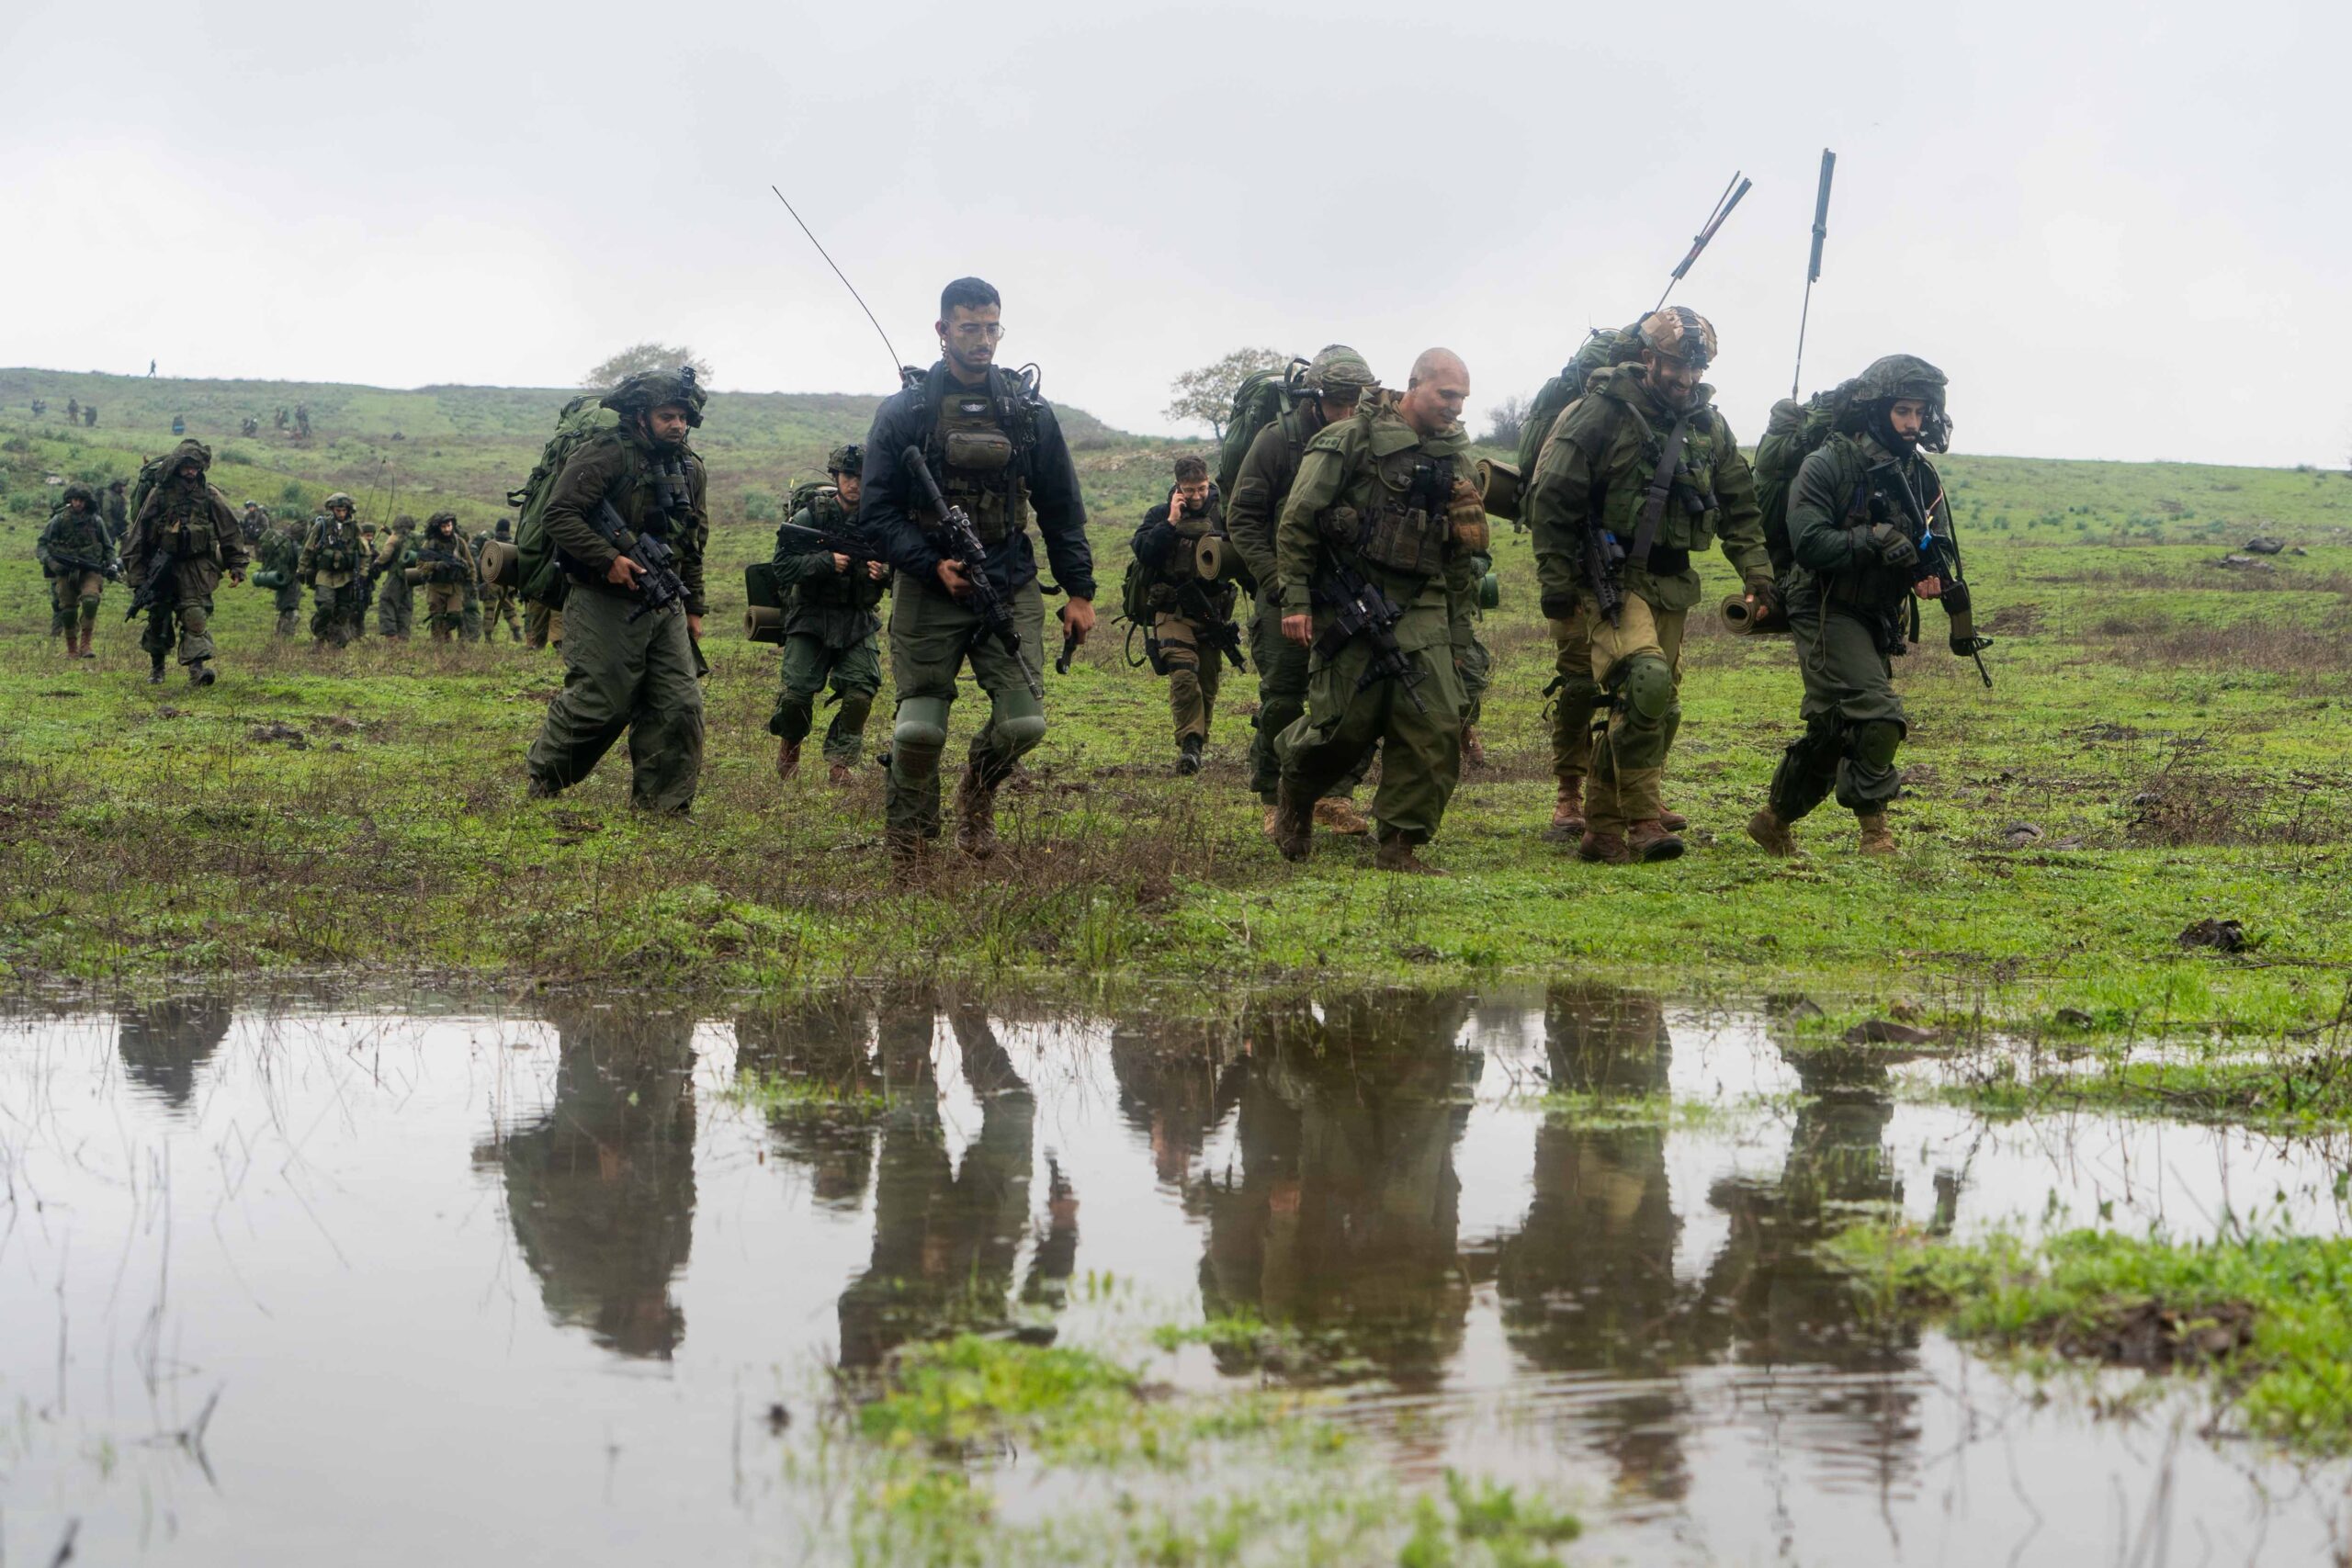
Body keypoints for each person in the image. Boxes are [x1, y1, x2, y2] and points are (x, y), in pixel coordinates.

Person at [857, 276, 1096, 865]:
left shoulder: (1027, 412)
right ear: (942, 331)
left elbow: (1061, 507)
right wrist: (930, 563)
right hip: (927, 584)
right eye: (970, 327)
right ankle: (910, 845)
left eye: (992, 327)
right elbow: (877, 513)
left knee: (1024, 724)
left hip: (1008, 581)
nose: (983, 339)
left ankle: (977, 792)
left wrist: (1080, 591)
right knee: (919, 731)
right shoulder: (905, 412)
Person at [1526, 307, 1774, 864]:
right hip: (1609, 577)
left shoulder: (1709, 424)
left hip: (1672, 580)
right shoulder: (1601, 414)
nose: (1685, 379)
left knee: (1656, 707)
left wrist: (1757, 575)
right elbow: (1553, 501)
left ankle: (1602, 828)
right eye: (1674, 366)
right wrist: (1557, 583)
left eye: (1695, 368)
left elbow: (1738, 504)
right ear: (1647, 359)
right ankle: (1641, 822)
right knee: (1646, 682)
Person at [1267, 348, 1486, 874]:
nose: (1455, 408)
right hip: (1354, 600)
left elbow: (1460, 561)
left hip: (1426, 605)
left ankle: (1400, 843)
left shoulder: (1455, 457)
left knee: (1432, 725)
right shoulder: (1350, 440)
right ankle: (1295, 788)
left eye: (1462, 398)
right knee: (1344, 726)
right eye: (1446, 394)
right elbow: (1297, 522)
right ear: (1414, 385)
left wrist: (1459, 635)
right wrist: (1295, 600)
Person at [1749, 355, 1966, 858]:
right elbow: (1808, 543)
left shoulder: (1919, 473)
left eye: (1920, 412)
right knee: (1879, 716)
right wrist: (1873, 537)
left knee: (1831, 730)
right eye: (1902, 411)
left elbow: (1937, 537)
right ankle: (1876, 835)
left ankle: (1773, 819)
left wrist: (1928, 570)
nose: (1913, 423)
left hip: (1877, 613)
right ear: (1876, 410)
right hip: (1824, 604)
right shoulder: (1827, 463)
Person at [523, 368, 709, 814]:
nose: (678, 425)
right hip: (600, 596)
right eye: (667, 416)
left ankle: (663, 808)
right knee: (603, 702)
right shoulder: (604, 453)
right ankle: (546, 777)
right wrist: (607, 559)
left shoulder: (689, 468)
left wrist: (695, 605)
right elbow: (560, 514)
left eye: (683, 417)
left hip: (664, 602)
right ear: (640, 415)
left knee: (679, 705)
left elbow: (693, 539)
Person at [1226, 345, 1377, 837]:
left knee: (1354, 698)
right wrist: (1276, 582)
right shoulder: (1278, 440)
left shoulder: (1371, 439)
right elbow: (1243, 518)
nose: (1348, 412)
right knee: (1285, 696)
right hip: (1284, 588)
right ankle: (1276, 796)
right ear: (1315, 398)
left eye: (1356, 401)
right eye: (1338, 402)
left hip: (1348, 588)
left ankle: (1334, 795)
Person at [768, 443, 888, 784]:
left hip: (856, 620)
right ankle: (790, 744)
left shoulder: (881, 521)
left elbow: (908, 563)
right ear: (836, 476)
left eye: (864, 477)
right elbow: (781, 565)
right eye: (849, 475)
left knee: (860, 693)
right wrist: (824, 562)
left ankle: (840, 764)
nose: (855, 484)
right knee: (796, 695)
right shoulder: (811, 517)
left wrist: (885, 572)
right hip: (810, 617)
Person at [1132, 454, 1238, 774]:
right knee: (1182, 673)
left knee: (1206, 682)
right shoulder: (1160, 515)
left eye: (1201, 489)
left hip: (1212, 613)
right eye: (1189, 490)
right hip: (1172, 609)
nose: (1196, 496)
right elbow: (1145, 552)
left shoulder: (1225, 514)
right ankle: (1189, 745)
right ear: (1178, 486)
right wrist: (1170, 522)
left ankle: (1198, 744)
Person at [124, 438, 249, 685]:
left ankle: (197, 670)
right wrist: (137, 575)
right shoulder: (159, 493)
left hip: (196, 565)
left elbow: (230, 530)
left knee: (195, 614)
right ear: (177, 466)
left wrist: (237, 564)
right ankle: (157, 669)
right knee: (159, 615)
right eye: (187, 466)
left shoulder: (208, 494)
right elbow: (138, 534)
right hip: (161, 565)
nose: (191, 471)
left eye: (195, 466)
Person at [37, 483, 118, 658]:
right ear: (70, 500)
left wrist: (112, 564)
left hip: (90, 570)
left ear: (86, 502)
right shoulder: (58, 520)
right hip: (65, 570)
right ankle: (72, 649)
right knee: (68, 610)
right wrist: (52, 563)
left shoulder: (96, 520)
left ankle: (86, 645)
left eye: (81, 500)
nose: (78, 503)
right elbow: (42, 544)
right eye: (75, 500)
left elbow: (108, 547)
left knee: (90, 601)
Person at [298, 491, 370, 647]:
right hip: (325, 574)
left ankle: (336, 642)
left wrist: (363, 573)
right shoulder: (322, 526)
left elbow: (364, 554)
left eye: (344, 510)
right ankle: (320, 637)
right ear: (332, 510)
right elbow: (308, 549)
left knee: (343, 611)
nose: (342, 514)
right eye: (338, 510)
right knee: (325, 607)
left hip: (346, 576)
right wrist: (301, 570)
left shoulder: (354, 528)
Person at [416, 510, 474, 641]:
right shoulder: (430, 544)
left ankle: (443, 634)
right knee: (437, 617)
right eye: (444, 526)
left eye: (449, 526)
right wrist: (436, 565)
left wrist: (472, 585)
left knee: (455, 616)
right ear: (438, 528)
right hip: (436, 586)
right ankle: (440, 647)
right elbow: (420, 566)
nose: (447, 529)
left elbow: (471, 566)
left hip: (455, 586)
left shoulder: (459, 542)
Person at [256, 513, 307, 637]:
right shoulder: (296, 546)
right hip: (291, 579)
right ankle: (286, 637)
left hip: (280, 578)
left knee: (284, 608)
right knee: (291, 609)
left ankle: (279, 636)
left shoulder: (284, 542)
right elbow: (300, 564)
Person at [373, 515, 417, 637]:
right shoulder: (415, 538)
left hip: (396, 576)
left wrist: (376, 563)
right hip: (413, 575)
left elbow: (386, 555)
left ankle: (391, 636)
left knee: (387, 601)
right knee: (406, 607)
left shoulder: (394, 538)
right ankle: (404, 637)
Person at [478, 518, 522, 640]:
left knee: (489, 610)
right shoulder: (513, 544)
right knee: (510, 609)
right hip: (507, 583)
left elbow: (481, 561)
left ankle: (488, 637)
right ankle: (516, 633)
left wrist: (481, 580)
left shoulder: (489, 544)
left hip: (490, 582)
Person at [102, 478, 129, 543]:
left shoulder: (120, 497)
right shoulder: (108, 496)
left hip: (119, 524)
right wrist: (110, 525)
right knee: (110, 543)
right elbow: (106, 512)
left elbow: (123, 512)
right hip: (110, 526)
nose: (122, 488)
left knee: (126, 541)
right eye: (120, 486)